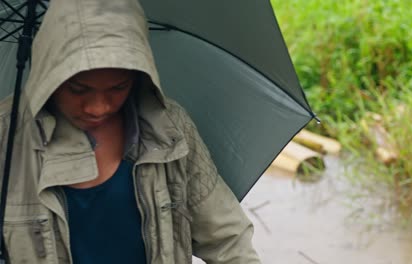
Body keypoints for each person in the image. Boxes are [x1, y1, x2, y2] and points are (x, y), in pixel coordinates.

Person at [0, 0, 261, 263]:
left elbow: (228, 239)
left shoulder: (169, 128)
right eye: (78, 90)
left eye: (117, 88)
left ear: (138, 77)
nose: (98, 108)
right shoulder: (6, 136)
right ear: (48, 74)